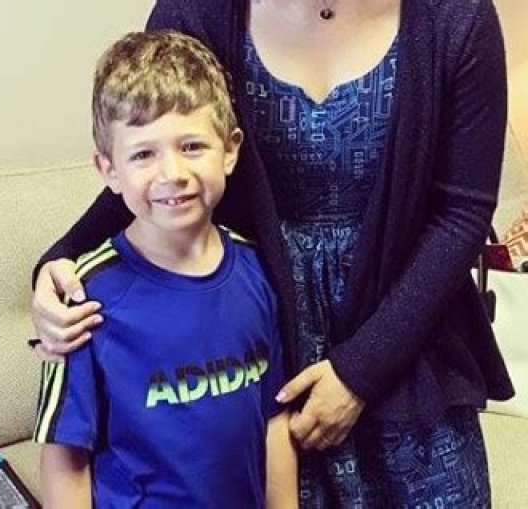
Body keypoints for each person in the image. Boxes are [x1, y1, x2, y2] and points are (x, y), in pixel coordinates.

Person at [31, 0, 515, 506]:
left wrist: (361, 371)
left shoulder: (455, 18)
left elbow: (462, 213)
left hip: (404, 332)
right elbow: (157, 157)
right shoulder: (195, 12)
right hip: (263, 329)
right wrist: (60, 260)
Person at [33, 30, 298, 509]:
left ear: (230, 150)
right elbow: (64, 458)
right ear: (109, 170)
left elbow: (275, 422)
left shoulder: (260, 271)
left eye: (192, 146)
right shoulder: (84, 299)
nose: (172, 173)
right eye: (143, 154)